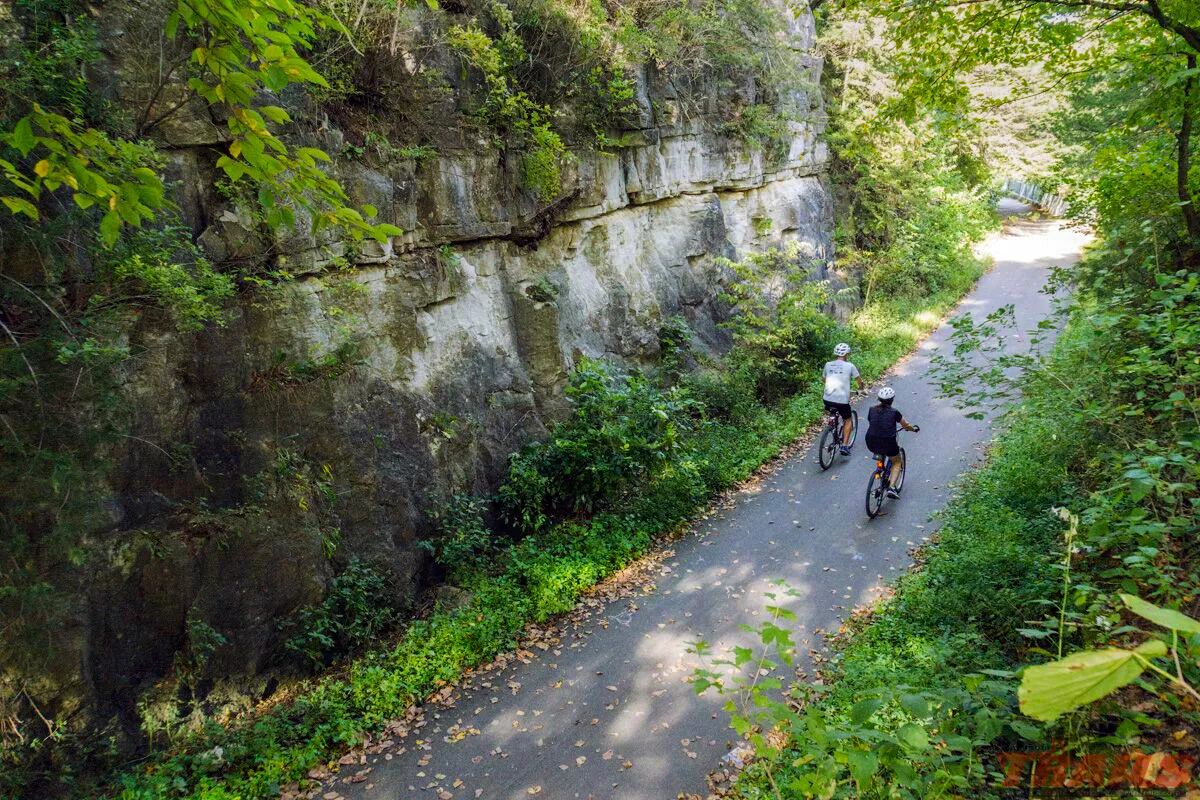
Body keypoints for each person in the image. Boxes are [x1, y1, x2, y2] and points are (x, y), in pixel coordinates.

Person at [864, 387, 919, 498]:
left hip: (870, 441)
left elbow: (871, 421)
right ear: (892, 400)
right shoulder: (894, 412)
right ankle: (892, 487)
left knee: (881, 451)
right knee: (897, 461)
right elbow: (905, 425)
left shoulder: (871, 409)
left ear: (879, 399)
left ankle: (879, 470)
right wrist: (913, 429)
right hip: (888, 442)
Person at [822, 343, 863, 455]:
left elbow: (824, 379)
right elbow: (859, 381)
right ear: (847, 354)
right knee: (848, 419)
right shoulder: (850, 366)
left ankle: (832, 423)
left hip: (827, 399)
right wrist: (861, 388)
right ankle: (844, 446)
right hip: (842, 401)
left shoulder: (828, 364)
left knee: (833, 411)